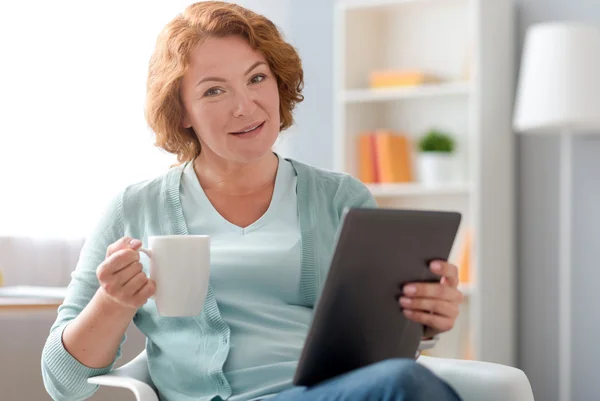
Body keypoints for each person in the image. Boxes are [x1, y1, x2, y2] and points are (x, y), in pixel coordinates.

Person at [41, 2, 464, 401]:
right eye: (213, 92)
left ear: (278, 83)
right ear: (182, 111)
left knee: (405, 379)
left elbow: (383, 342)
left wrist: (424, 321)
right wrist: (113, 302)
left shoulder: (341, 198)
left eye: (257, 78)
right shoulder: (134, 208)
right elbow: (63, 382)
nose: (245, 106)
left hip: (329, 394)